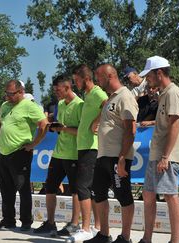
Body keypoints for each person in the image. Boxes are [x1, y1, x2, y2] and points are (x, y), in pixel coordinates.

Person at [85, 64, 138, 243]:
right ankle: (104, 234)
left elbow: (130, 130)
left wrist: (122, 158)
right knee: (98, 193)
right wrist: (96, 122)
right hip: (103, 155)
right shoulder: (111, 99)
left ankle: (125, 237)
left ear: (109, 76)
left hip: (117, 156)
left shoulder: (125, 96)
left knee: (123, 195)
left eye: (99, 77)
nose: (97, 81)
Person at [138, 56, 179, 243]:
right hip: (157, 153)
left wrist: (166, 156)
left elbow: (174, 125)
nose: (147, 79)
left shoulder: (173, 93)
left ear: (159, 73)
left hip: (166, 155)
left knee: (170, 195)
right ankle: (146, 238)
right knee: (148, 194)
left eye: (149, 75)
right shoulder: (165, 93)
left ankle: (175, 241)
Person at [0, 80, 49, 231]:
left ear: (20, 92)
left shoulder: (29, 106)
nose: (7, 96)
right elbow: (0, 123)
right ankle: (8, 219)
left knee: (23, 188)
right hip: (4, 152)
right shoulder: (5, 106)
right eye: (6, 93)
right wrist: (0, 134)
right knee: (5, 189)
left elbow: (44, 124)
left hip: (20, 152)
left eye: (11, 94)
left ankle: (26, 221)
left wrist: (33, 144)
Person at [33, 74, 84, 237]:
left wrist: (63, 129)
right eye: (54, 90)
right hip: (59, 152)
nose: (56, 93)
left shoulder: (80, 105)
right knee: (49, 186)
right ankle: (50, 223)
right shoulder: (60, 104)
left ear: (68, 87)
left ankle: (75, 223)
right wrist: (55, 127)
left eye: (58, 89)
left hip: (74, 153)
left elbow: (82, 131)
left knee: (76, 190)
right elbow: (62, 127)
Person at [67, 64, 108, 242]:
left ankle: (85, 228)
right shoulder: (87, 94)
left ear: (86, 78)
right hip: (84, 145)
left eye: (77, 80)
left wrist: (97, 121)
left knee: (82, 187)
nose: (75, 84)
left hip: (92, 145)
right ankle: (96, 227)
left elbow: (109, 103)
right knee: (89, 188)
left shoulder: (98, 92)